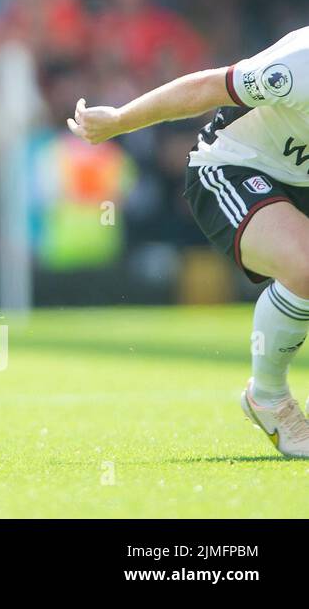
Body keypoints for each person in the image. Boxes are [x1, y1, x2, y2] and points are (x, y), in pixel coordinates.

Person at [68, 29, 309, 457]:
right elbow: (205, 88)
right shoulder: (299, 65)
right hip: (234, 166)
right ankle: (268, 398)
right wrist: (120, 120)